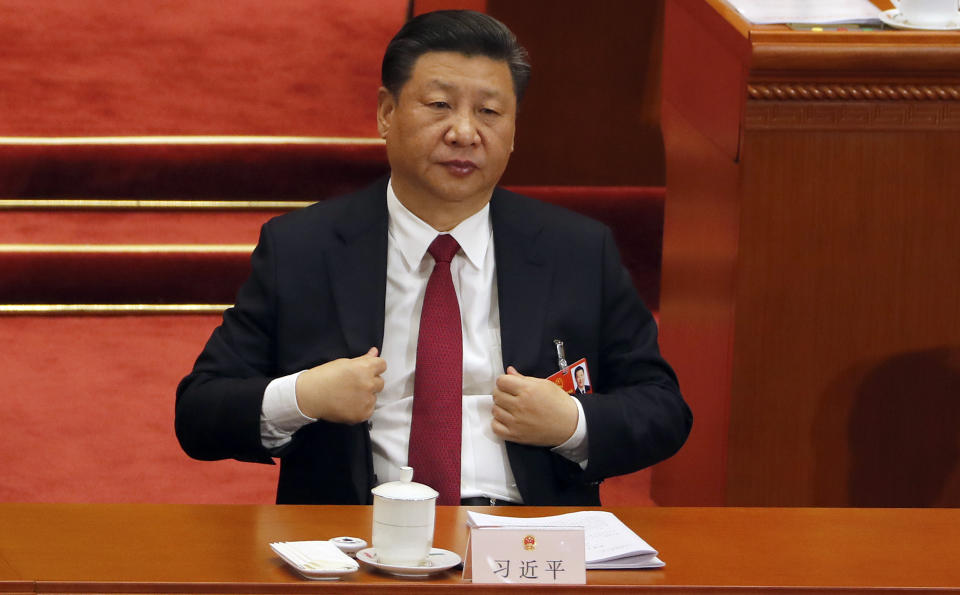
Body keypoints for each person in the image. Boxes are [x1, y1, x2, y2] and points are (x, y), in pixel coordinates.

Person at [175, 10, 691, 506]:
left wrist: (572, 424)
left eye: (489, 112)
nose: (465, 132)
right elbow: (200, 413)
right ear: (386, 113)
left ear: (514, 131)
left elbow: (663, 409)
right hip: (358, 536)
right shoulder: (304, 248)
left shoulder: (576, 250)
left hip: (521, 538)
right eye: (439, 105)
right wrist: (303, 395)